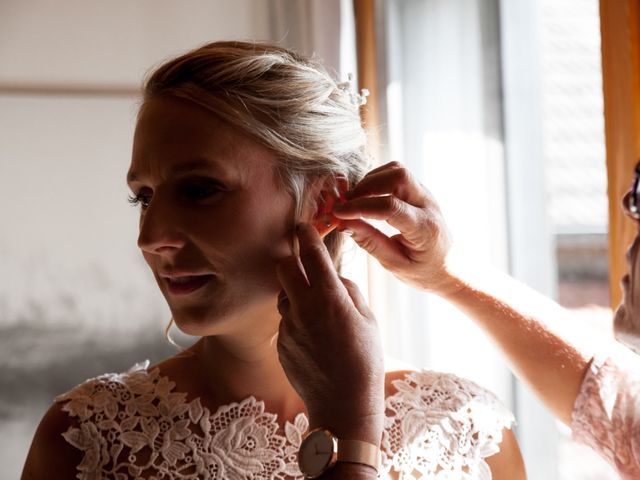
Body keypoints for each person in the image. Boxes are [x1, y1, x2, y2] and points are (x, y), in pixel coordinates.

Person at [21, 41, 525, 480]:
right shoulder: (88, 438)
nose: (150, 238)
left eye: (200, 190)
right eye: (144, 197)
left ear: (323, 201)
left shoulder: (465, 431)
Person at [330, 160, 640, 478]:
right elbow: (606, 388)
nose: (628, 208)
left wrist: (353, 446)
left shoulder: (464, 427)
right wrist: (445, 273)